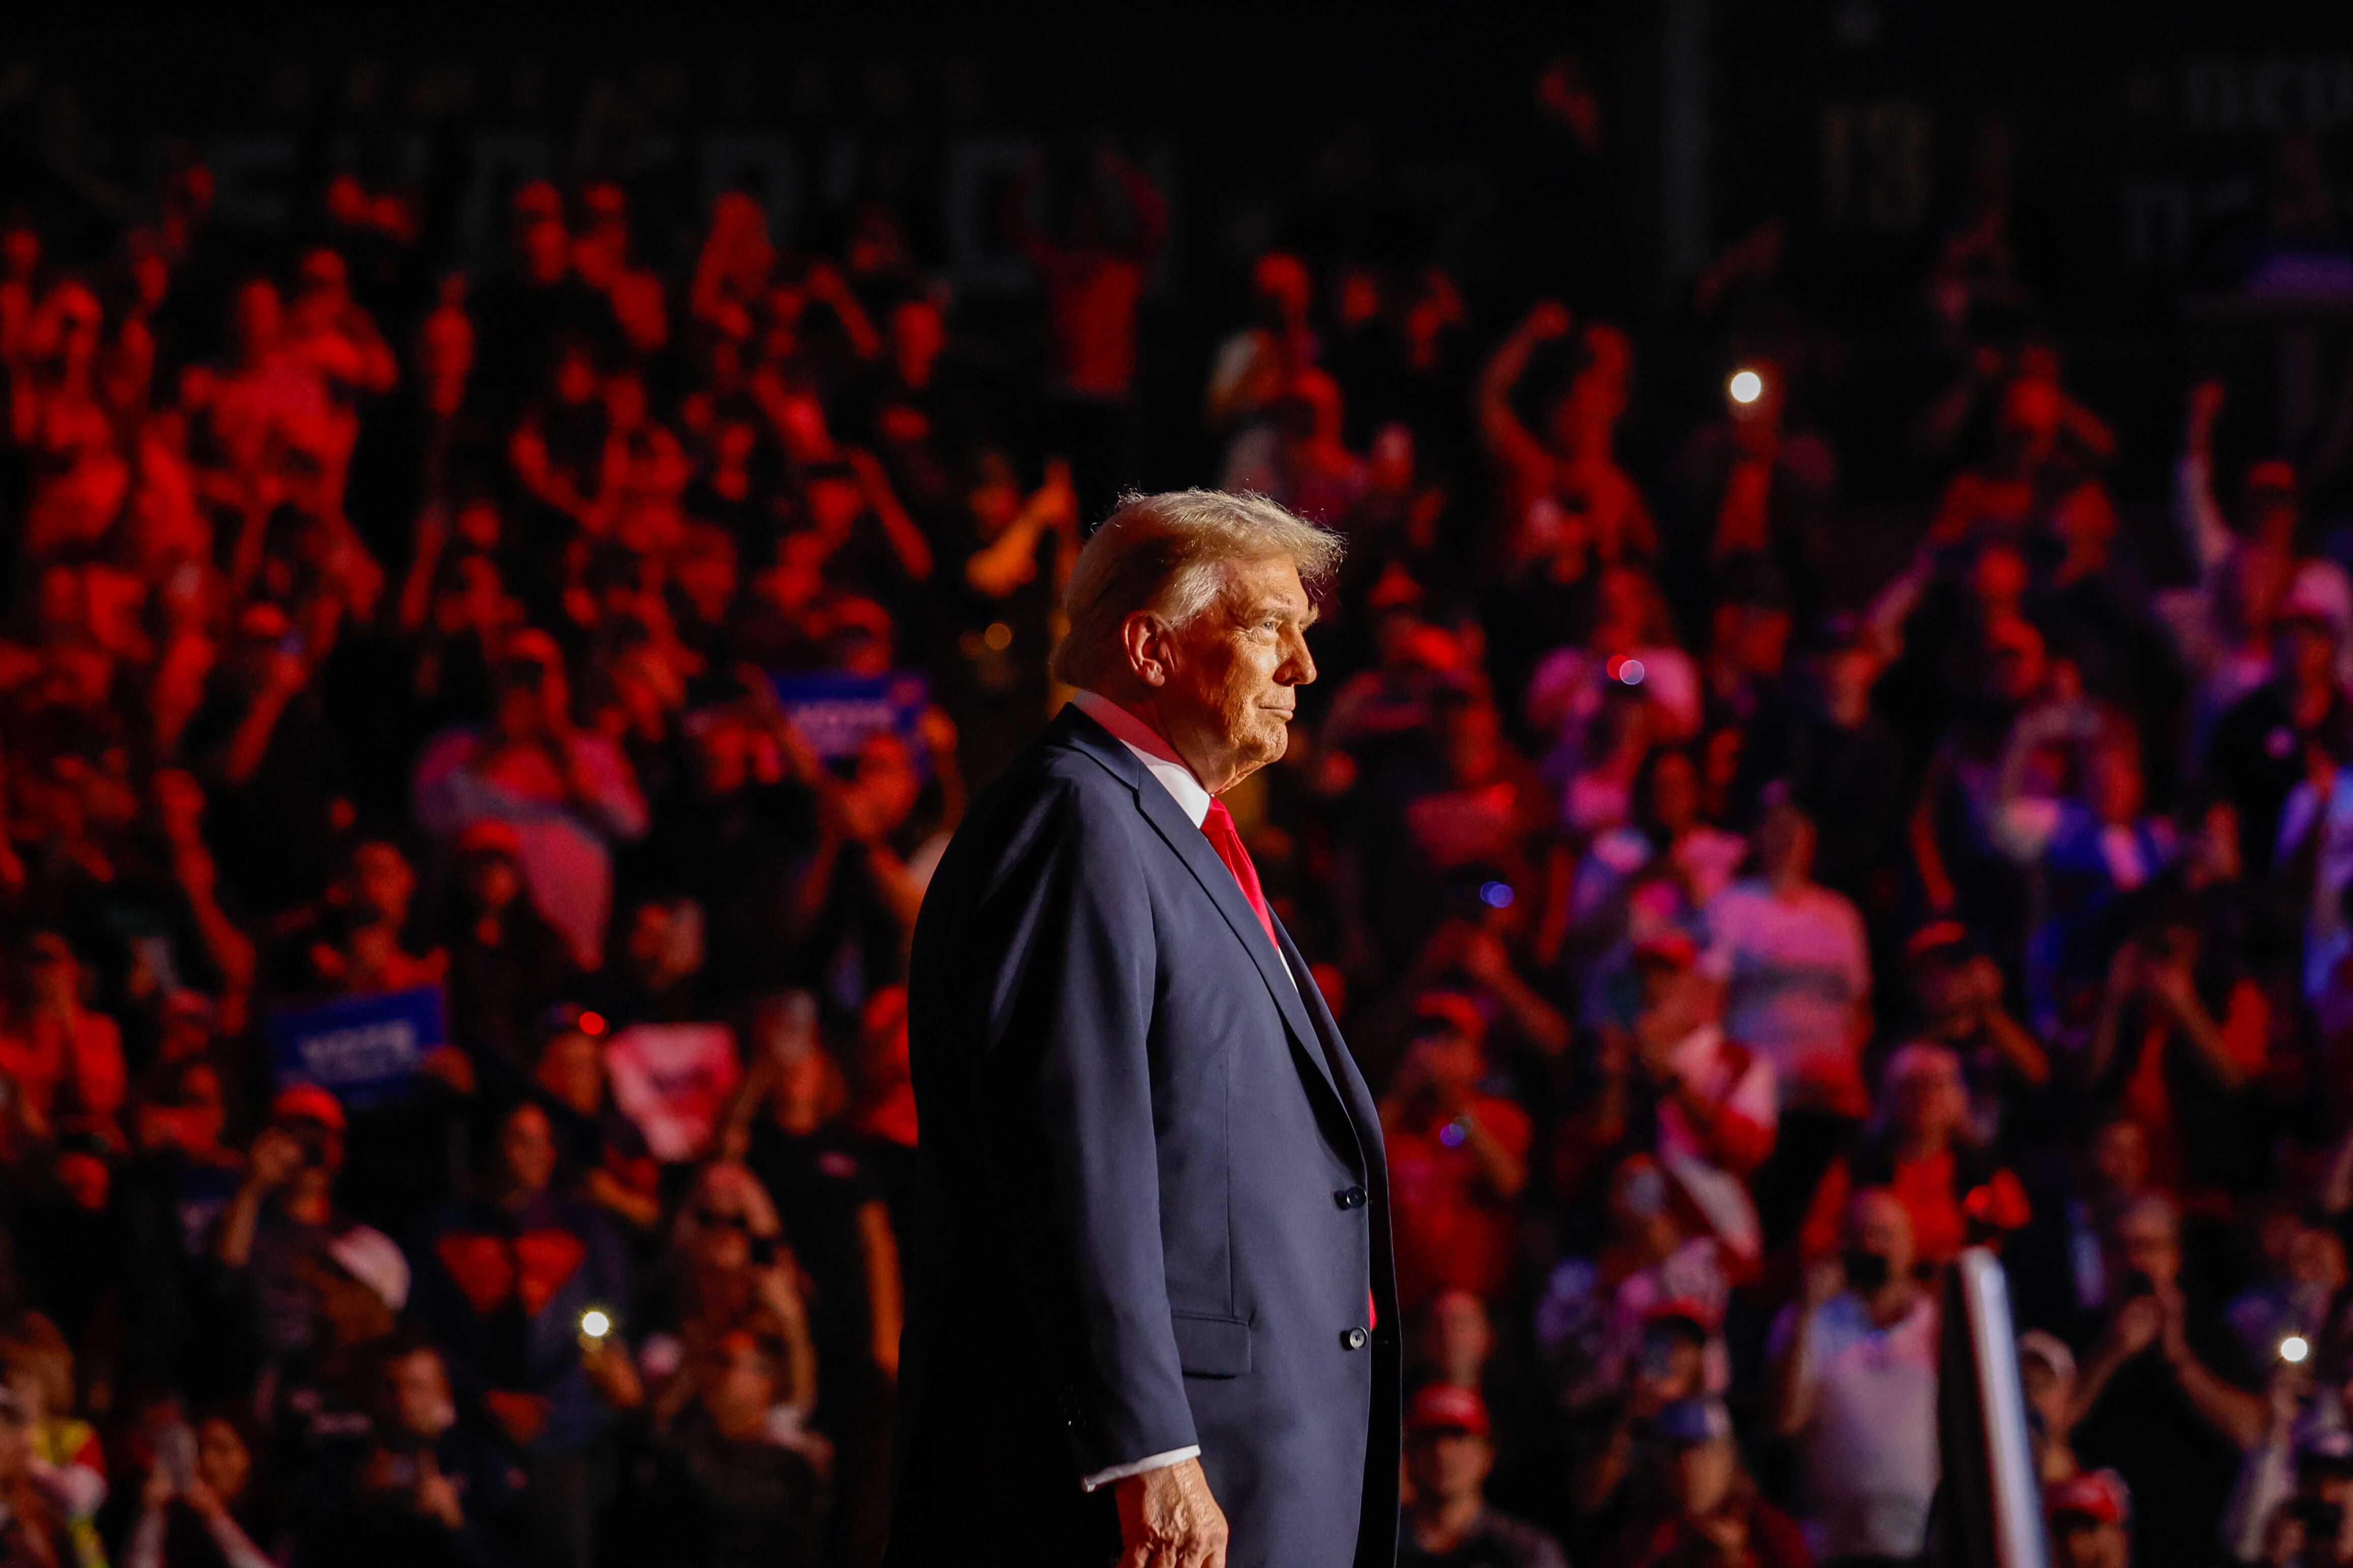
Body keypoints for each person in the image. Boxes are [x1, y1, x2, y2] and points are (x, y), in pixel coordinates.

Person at [894, 491, 1398, 1566]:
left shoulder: (1153, 826)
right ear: (1151, 646)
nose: (1302, 668)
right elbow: (1073, 1155)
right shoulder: (1080, 822)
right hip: (1153, 1490)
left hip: (1250, 1458)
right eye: (1270, 627)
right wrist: (1144, 1450)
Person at [1768, 1188, 1941, 1568]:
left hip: (1920, 1547)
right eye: (1858, 1235)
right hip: (1832, 1547)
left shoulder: (1938, 1326)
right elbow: (1786, 1420)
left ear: (1911, 1246)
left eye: (1884, 1234)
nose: (1870, 1246)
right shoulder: (1807, 1321)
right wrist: (1810, 1309)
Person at [1398, 1385, 1567, 1568]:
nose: (1442, 1452)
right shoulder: (1379, 1541)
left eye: (1458, 1436)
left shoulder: (1527, 1552)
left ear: (1487, 1454)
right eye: (1428, 1438)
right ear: (1408, 1453)